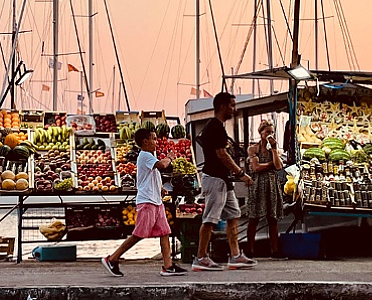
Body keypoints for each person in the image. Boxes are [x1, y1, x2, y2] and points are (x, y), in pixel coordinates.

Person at [102, 128, 188, 277]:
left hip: (156, 201)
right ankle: (112, 259)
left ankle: (167, 266)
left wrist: (160, 188)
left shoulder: (150, 155)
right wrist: (170, 158)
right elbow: (161, 166)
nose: (156, 142)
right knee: (139, 234)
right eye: (153, 139)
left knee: (165, 232)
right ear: (145, 142)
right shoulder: (144, 155)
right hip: (147, 201)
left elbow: (152, 175)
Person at [193, 92, 257, 271]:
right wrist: (241, 173)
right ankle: (200, 258)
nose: (234, 109)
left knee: (234, 214)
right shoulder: (215, 127)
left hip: (223, 180)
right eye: (232, 105)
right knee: (210, 219)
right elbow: (222, 154)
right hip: (215, 180)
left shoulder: (217, 126)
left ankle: (235, 256)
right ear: (222, 106)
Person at [244, 120, 285, 258]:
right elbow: (256, 168)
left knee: (272, 218)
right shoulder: (253, 149)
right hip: (257, 185)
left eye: (272, 132)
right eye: (267, 132)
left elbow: (278, 166)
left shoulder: (274, 150)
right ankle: (250, 250)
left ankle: (275, 250)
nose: (270, 135)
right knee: (253, 217)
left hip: (271, 185)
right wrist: (270, 164)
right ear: (261, 133)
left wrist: (273, 149)